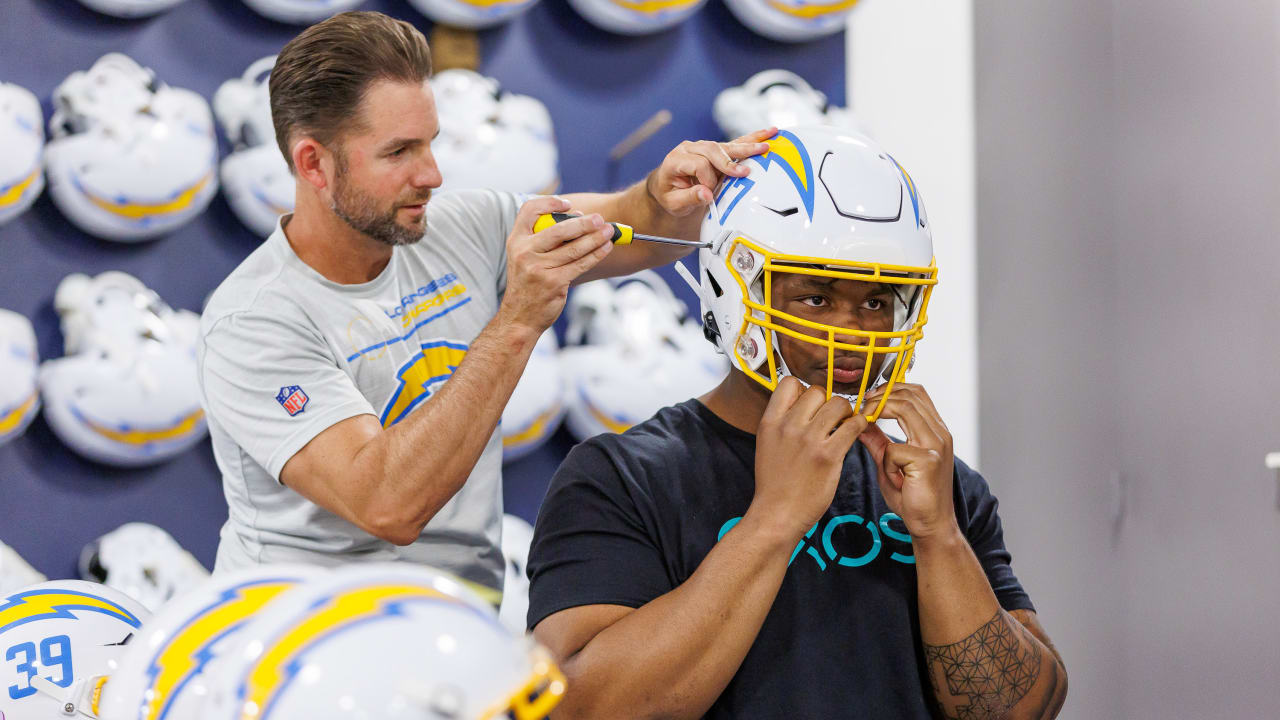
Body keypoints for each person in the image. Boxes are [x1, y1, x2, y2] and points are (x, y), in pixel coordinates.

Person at [196, 10, 772, 602]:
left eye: (430, 143)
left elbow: (632, 224)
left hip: (456, 627)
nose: (432, 174)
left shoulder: (465, 225)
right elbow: (388, 504)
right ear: (313, 163)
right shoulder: (254, 322)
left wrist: (663, 193)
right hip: (305, 644)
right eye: (398, 152)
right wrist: (519, 321)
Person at [526, 126, 1069, 719]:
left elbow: (1022, 711)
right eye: (816, 299)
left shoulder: (945, 488)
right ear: (736, 289)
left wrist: (939, 536)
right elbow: (577, 708)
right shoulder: (621, 477)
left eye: (876, 302)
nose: (853, 333)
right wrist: (774, 521)